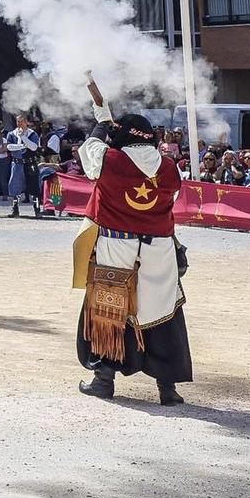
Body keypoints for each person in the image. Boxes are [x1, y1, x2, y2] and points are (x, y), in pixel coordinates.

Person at [74, 82, 191, 406]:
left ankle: (103, 380)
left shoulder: (109, 160)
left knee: (107, 312)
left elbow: (90, 150)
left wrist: (101, 121)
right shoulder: (169, 167)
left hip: (116, 247)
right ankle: (168, 388)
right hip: (158, 250)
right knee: (164, 314)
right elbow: (171, 199)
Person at [5, 115, 40, 217]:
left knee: (34, 186)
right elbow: (9, 147)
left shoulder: (32, 134)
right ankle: (15, 210)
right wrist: (22, 145)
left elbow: (33, 147)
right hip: (17, 163)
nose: (20, 124)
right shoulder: (12, 134)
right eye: (18, 122)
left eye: (22, 121)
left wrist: (23, 137)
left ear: (26, 122)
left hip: (30, 164)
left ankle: (37, 210)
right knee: (15, 187)